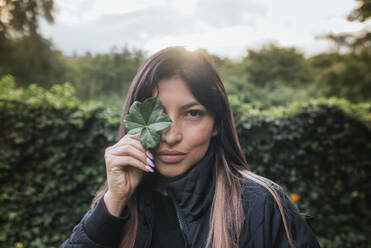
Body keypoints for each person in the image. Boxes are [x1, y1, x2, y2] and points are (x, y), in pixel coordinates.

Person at [60, 46, 320, 248]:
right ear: (136, 121)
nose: (171, 136)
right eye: (157, 115)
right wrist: (112, 205)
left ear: (216, 123)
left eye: (192, 113)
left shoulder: (261, 204)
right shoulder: (118, 205)